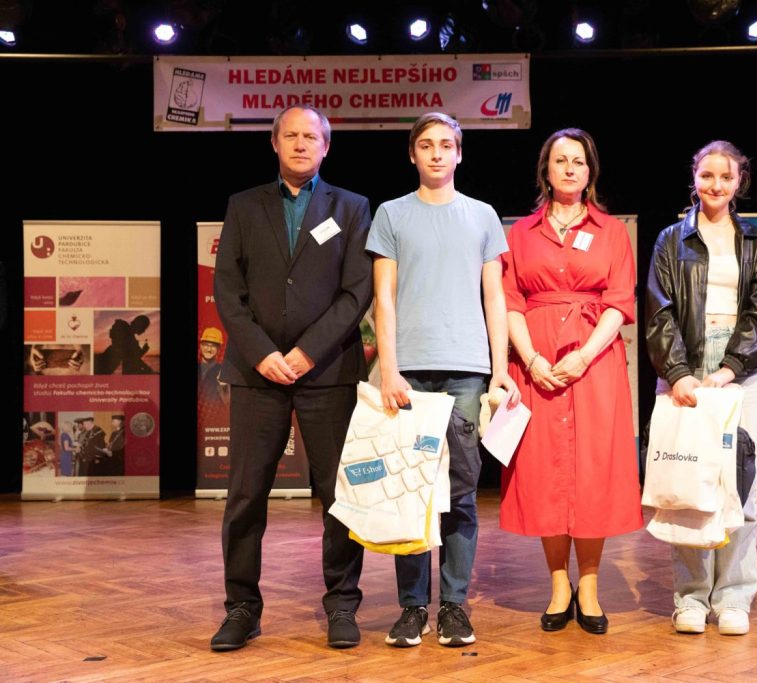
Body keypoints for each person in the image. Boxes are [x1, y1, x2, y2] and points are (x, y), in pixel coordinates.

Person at [211, 105, 373, 651]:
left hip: (327, 370)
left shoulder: (351, 207)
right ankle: (241, 608)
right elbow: (227, 291)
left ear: (326, 147)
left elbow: (356, 291)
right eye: (291, 135)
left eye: (311, 136)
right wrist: (262, 353)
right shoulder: (243, 205)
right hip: (257, 372)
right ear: (274, 143)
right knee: (245, 495)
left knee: (338, 495)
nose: (301, 144)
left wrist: (306, 352)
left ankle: (342, 603)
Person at [367, 112, 518, 648]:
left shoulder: (482, 215)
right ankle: (412, 608)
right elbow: (383, 297)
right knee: (409, 490)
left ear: (459, 153)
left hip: (467, 372)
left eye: (446, 144)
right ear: (412, 154)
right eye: (426, 145)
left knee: (460, 492)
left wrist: (500, 370)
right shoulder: (391, 214)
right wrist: (389, 368)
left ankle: (453, 605)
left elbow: (495, 297)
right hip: (408, 372)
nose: (436, 153)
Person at [500, 128, 641, 635]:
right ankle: (559, 584)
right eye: (560, 160)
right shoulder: (520, 233)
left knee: (593, 471)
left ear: (589, 171)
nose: (569, 168)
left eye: (578, 161)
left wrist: (583, 355)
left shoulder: (612, 232)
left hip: (594, 363)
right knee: (546, 472)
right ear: (546, 169)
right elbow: (509, 302)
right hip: (536, 364)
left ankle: (591, 586)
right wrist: (531, 358)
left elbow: (619, 301)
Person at [645, 140, 757, 636]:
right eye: (707, 175)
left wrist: (730, 368)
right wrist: (679, 372)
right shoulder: (670, 239)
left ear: (739, 181)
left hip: (743, 378)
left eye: (726, 176)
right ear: (694, 179)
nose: (715, 185)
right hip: (684, 373)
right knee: (688, 487)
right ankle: (691, 597)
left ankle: (734, 596)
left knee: (740, 491)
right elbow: (658, 310)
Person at [198, 326, 230, 422]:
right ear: (201, 346)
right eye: (206, 345)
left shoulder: (224, 370)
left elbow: (228, 402)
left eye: (213, 346)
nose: (209, 349)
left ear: (219, 349)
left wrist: (223, 387)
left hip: (214, 420)